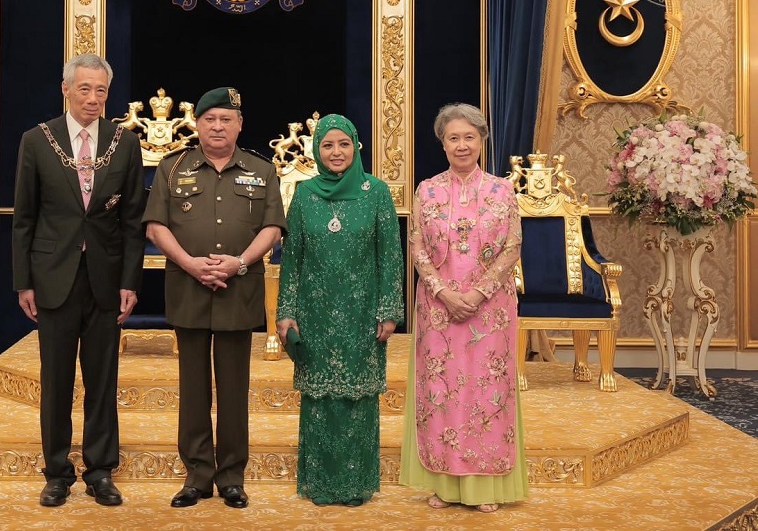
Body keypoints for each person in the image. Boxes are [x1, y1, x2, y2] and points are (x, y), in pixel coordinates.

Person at [13, 53, 146, 508]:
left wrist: (130, 280)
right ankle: (56, 471)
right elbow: (24, 219)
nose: (93, 99)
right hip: (52, 278)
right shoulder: (37, 140)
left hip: (106, 279)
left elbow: (132, 221)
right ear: (66, 89)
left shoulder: (124, 142)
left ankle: (101, 469)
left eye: (101, 91)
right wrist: (23, 282)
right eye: (85, 89)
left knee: (103, 378)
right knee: (56, 378)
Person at [143, 87, 286, 509]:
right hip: (188, 287)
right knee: (192, 387)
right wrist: (190, 263)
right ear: (198, 124)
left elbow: (272, 228)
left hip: (238, 289)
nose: (218, 126)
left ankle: (231, 477)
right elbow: (155, 227)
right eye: (210, 119)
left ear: (240, 124)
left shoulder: (262, 170)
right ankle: (197, 475)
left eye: (226, 119)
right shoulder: (172, 168)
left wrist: (237, 262)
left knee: (234, 386)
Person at [399, 102, 527, 513]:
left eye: (469, 137)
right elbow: (417, 248)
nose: (461, 145)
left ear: (482, 140)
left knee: (485, 391)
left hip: (490, 311)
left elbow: (513, 247)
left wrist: (477, 294)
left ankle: (485, 487)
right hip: (439, 309)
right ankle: (445, 485)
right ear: (442, 143)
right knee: (442, 393)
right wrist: (444, 293)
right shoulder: (427, 190)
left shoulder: (502, 190)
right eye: (453, 137)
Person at [275, 114, 404, 507]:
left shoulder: (376, 192)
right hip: (314, 312)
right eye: (328, 145)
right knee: (319, 399)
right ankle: (320, 484)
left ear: (356, 147)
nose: (336, 152)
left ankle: (355, 486)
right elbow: (292, 257)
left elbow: (390, 256)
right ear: (317, 150)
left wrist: (389, 309)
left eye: (343, 144)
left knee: (357, 398)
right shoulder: (304, 193)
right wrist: (285, 312)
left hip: (363, 312)